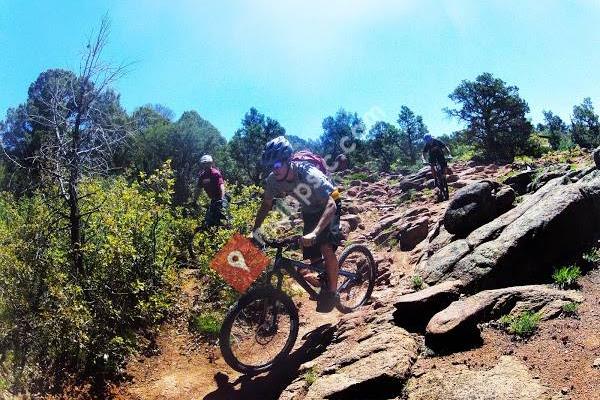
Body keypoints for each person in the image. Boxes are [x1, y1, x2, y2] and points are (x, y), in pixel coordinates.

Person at [252, 136, 342, 313]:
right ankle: (325, 278)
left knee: (324, 246)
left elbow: (330, 203)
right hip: (309, 208)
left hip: (330, 203)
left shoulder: (309, 174)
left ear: (288, 161)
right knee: (312, 255)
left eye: (277, 165)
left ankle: (332, 292)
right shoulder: (272, 180)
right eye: (271, 166)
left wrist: (315, 232)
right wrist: (255, 230)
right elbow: (266, 205)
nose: (274, 170)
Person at [193, 154, 229, 229]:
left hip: (221, 198)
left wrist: (222, 199)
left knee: (223, 218)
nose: (206, 166)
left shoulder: (215, 173)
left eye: (208, 164)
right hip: (213, 199)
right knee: (209, 221)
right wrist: (194, 200)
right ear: (202, 165)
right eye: (204, 164)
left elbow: (221, 186)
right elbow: (198, 189)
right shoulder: (202, 176)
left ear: (211, 163)